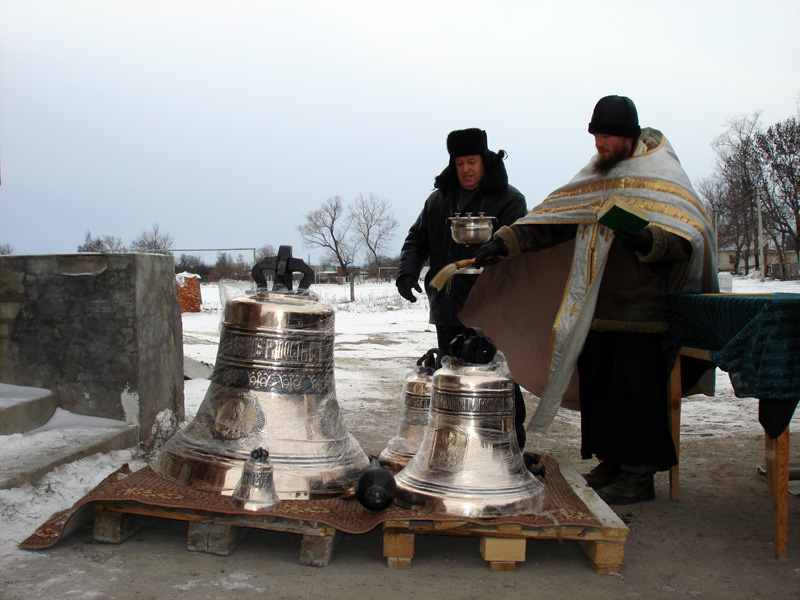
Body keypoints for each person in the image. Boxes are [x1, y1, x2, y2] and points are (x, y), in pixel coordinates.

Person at [461, 96, 719, 504]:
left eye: (606, 136)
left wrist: (650, 238)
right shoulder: (597, 174)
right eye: (595, 135)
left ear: (628, 136)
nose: (598, 144)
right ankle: (612, 462)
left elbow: (690, 239)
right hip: (593, 306)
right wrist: (506, 241)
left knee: (634, 392)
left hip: (641, 309)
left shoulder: (662, 173)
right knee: (600, 387)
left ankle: (638, 475)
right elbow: (555, 220)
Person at [396, 128, 529, 444]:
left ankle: (510, 444)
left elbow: (522, 244)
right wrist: (407, 271)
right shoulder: (438, 200)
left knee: (497, 380)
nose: (466, 169)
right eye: (459, 163)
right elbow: (417, 240)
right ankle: (457, 444)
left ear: (484, 160)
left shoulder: (510, 200)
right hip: (448, 305)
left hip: (492, 308)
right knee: (452, 379)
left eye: (472, 161)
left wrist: (498, 247)